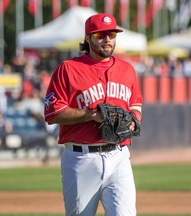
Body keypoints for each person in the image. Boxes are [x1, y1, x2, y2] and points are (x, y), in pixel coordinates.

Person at [44, 13, 143, 216]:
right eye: (100, 35)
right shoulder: (68, 69)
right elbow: (52, 113)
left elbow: (136, 105)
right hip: (82, 159)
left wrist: (133, 121)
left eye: (112, 34)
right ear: (88, 38)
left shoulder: (127, 70)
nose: (107, 39)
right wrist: (89, 115)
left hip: (119, 155)